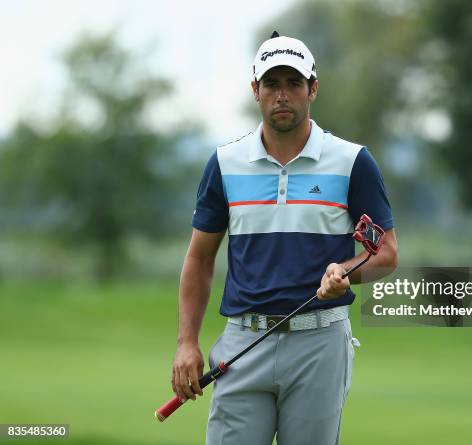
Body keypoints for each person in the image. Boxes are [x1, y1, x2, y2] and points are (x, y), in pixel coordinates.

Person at [171, 31, 398, 444]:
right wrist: (187, 342)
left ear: (313, 89)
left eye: (294, 83)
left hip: (320, 343)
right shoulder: (224, 163)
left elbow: (385, 254)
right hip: (244, 341)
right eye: (272, 84)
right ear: (255, 90)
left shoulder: (353, 162)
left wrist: (344, 271)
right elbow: (200, 259)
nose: (282, 95)